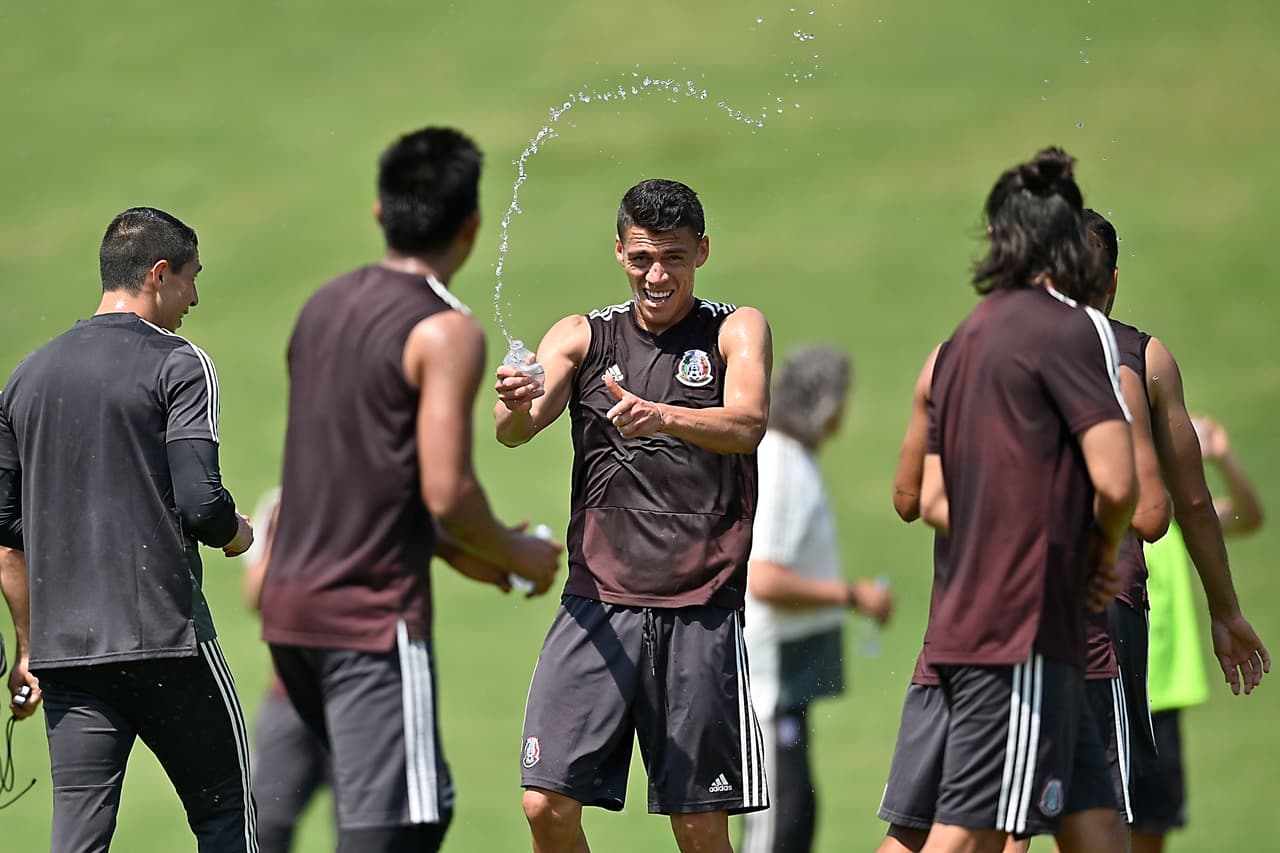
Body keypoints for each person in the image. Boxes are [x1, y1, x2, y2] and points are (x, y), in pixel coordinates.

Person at [259, 126, 561, 853]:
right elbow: (446, 489)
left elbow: (357, 477)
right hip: (370, 619)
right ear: (472, 226)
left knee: (412, 810)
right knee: (396, 826)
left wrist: (460, 557)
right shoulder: (445, 330)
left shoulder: (322, 307)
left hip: (290, 614)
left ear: (378, 213)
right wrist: (519, 551)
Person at [494, 177, 773, 853]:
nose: (657, 274)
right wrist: (513, 396)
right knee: (543, 803)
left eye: (674, 256)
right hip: (596, 605)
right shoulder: (582, 335)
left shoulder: (736, 327)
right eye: (643, 256)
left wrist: (662, 418)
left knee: (699, 825)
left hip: (699, 608)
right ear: (619, 251)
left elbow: (748, 424)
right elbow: (514, 428)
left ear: (701, 253)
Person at [883, 147, 1138, 853]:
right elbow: (1118, 481)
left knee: (1094, 821)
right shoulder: (1073, 327)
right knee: (969, 833)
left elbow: (933, 496)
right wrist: (1098, 551)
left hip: (989, 618)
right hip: (1023, 628)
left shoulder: (960, 342)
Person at [0, 207, 258, 851]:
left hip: (66, 653)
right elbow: (202, 503)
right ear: (160, 273)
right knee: (228, 814)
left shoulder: (26, 377)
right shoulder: (180, 363)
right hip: (166, 639)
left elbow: (7, 533)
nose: (196, 296)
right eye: (193, 278)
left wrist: (28, 645)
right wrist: (236, 535)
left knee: (79, 837)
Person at [739, 345, 893, 853]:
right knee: (778, 828)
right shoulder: (781, 464)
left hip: (789, 681)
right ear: (826, 406)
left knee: (798, 818)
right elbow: (764, 579)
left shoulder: (790, 458)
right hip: (769, 679)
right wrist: (852, 596)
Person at [1132, 414, 1263, 853]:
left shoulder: (1180, 522)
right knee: (1086, 826)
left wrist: (1223, 459)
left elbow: (1248, 516)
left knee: (1152, 830)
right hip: (1110, 690)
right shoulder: (1119, 521)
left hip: (1163, 697)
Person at [242, 489, 331, 853]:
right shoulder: (277, 506)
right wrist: (283, 539)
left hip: (356, 696)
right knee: (264, 824)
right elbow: (254, 596)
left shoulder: (359, 494)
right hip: (287, 698)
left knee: (364, 828)